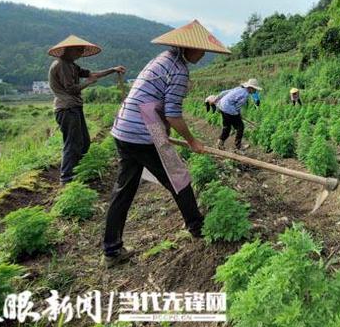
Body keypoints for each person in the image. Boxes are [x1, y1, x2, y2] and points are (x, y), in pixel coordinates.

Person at [104, 19, 231, 268]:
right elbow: (172, 113)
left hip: (124, 129)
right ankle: (197, 227)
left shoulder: (162, 59)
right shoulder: (179, 70)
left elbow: (161, 108)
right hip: (144, 130)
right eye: (201, 50)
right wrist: (192, 141)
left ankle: (111, 250)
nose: (203, 54)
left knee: (124, 189)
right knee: (179, 177)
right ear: (187, 47)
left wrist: (166, 133)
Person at [48, 35, 126, 185]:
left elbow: (92, 74)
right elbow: (71, 89)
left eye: (82, 51)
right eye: (79, 50)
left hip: (74, 107)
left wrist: (112, 70)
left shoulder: (71, 64)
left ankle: (79, 171)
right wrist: (88, 83)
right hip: (66, 108)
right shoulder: (62, 64)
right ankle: (67, 178)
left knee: (84, 142)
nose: (80, 54)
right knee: (73, 144)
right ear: (69, 50)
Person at [214, 78, 262, 151]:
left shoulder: (239, 88)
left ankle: (220, 143)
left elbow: (225, 92)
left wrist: (217, 98)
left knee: (227, 127)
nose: (255, 91)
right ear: (250, 88)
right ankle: (238, 146)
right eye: (255, 89)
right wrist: (238, 115)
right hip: (229, 108)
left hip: (222, 106)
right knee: (240, 127)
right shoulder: (245, 95)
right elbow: (237, 107)